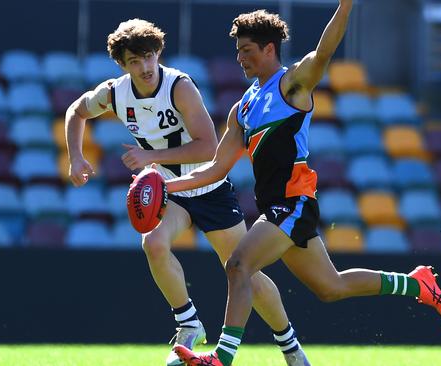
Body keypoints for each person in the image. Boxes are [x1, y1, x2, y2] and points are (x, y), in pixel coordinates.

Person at [168, 2, 441, 365]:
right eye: (238, 51)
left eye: (247, 50)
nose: (240, 58)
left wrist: (345, 7)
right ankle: (418, 284)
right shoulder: (242, 108)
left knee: (238, 264)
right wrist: (168, 188)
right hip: (276, 206)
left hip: (292, 201)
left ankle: (222, 358)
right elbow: (214, 169)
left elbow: (324, 51)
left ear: (269, 49)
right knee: (330, 288)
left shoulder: (292, 83)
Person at [65, 18, 311, 366]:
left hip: (207, 187)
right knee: (153, 243)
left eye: (149, 56)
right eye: (135, 61)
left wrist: (151, 157)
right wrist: (76, 157)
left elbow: (208, 147)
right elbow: (77, 111)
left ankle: (290, 346)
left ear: (158, 53)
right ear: (122, 65)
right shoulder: (116, 93)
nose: (145, 67)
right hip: (171, 191)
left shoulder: (178, 86)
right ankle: (188, 324)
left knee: (246, 274)